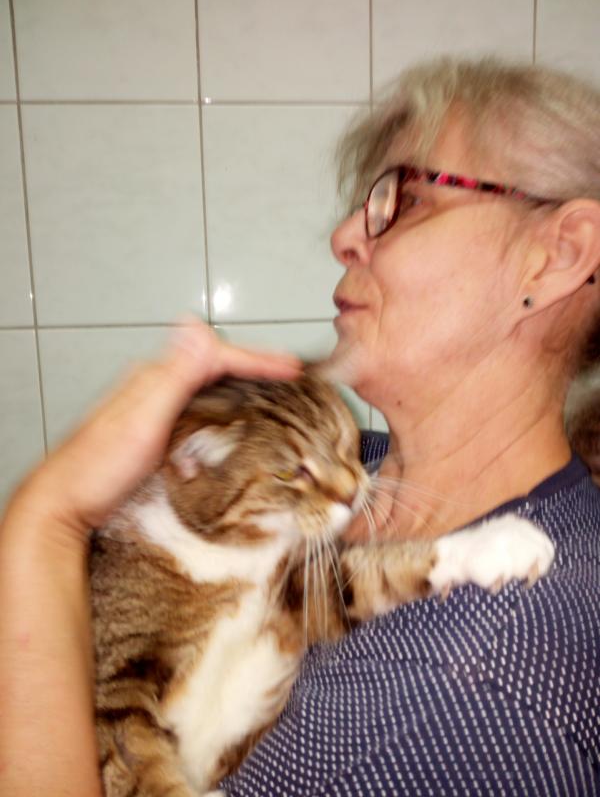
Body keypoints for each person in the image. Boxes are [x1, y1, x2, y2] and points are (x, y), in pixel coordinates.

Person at [1, 56, 599, 796]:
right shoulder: (365, 462)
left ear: (558, 254)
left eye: (407, 198)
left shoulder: (478, 701)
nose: (344, 235)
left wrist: (47, 518)